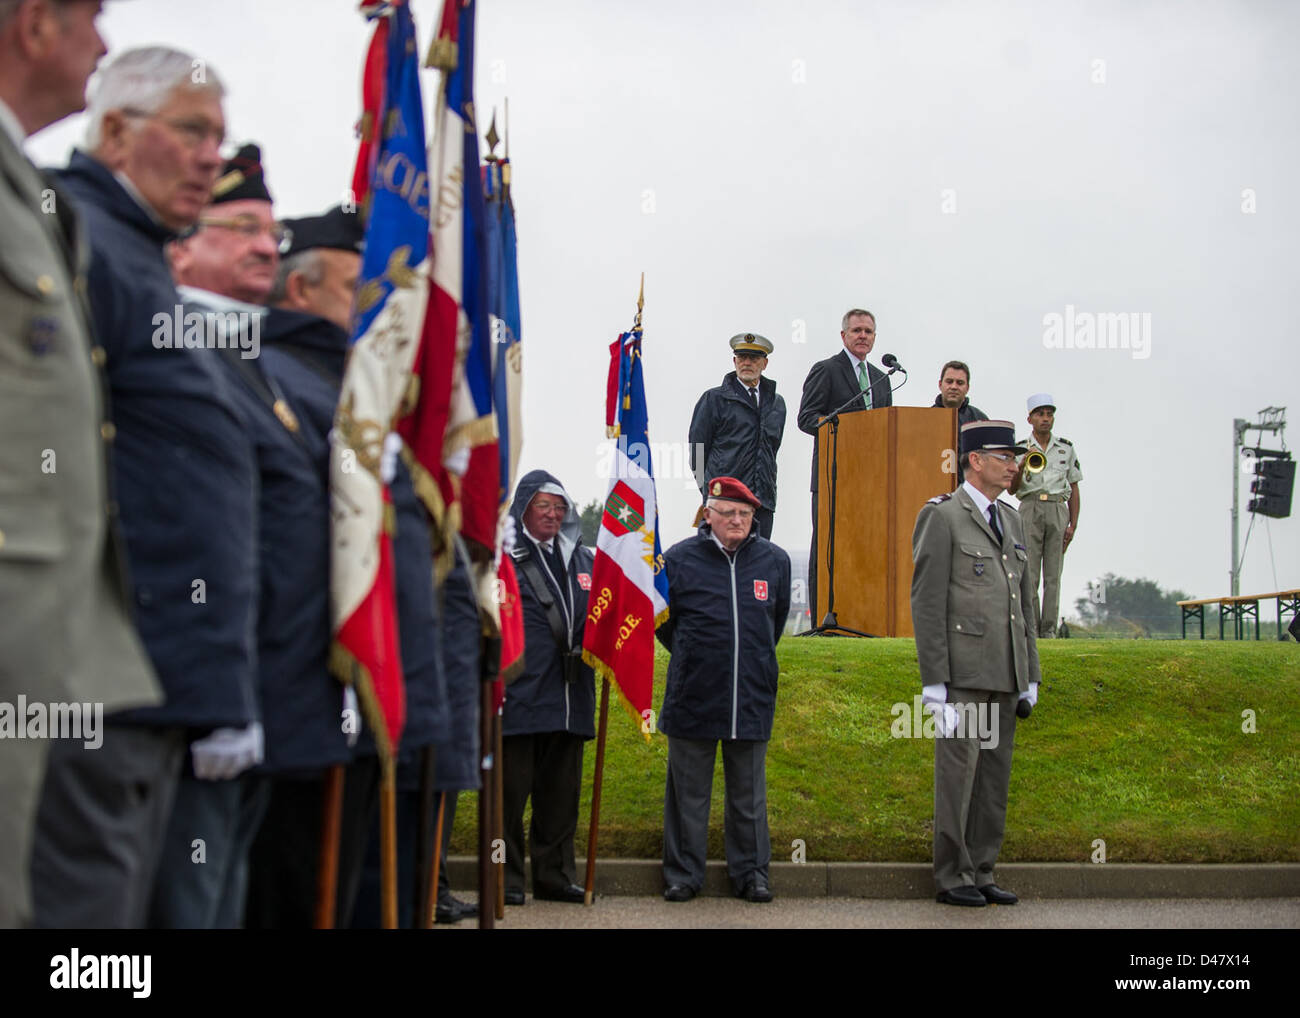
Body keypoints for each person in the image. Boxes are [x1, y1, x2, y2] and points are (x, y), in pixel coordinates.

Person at [32, 45, 257, 929]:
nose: (214, 157)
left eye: (221, 138)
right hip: (108, 683)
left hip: (161, 685)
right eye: (194, 133)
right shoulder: (80, 241)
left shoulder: (134, 257)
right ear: (118, 132)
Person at [0, 0, 160, 928]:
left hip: (62, 650)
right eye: (92, 18)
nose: (102, 45)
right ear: (33, 23)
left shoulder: (32, 197)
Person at [910, 420, 1041, 907]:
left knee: (992, 781)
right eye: (1003, 457)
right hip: (963, 675)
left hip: (1005, 671)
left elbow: (1024, 604)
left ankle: (982, 868)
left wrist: (1030, 674)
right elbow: (926, 602)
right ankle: (953, 875)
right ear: (974, 460)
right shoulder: (943, 516)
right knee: (959, 779)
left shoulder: (1013, 517)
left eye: (1015, 458)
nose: (1013, 466)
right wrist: (935, 683)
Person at [657, 476, 791, 903]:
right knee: (688, 797)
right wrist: (696, 654)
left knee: (749, 798)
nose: (738, 521)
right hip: (693, 695)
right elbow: (665, 623)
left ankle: (752, 874)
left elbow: (775, 621)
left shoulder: (774, 561)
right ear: (708, 515)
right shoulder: (678, 559)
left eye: (746, 514)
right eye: (729, 512)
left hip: (750, 695)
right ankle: (683, 875)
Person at [502, 470, 597, 905]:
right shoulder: (503, 556)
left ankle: (554, 877)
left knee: (561, 800)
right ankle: (501, 878)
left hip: (570, 699)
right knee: (506, 801)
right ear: (523, 508)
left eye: (559, 507)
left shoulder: (584, 560)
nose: (553, 514)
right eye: (543, 506)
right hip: (518, 697)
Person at [796, 309, 893, 622]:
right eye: (857, 331)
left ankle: (862, 617)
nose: (863, 336)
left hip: (871, 481)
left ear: (875, 338)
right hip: (832, 477)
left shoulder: (881, 379)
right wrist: (840, 428)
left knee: (866, 548)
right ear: (844, 336)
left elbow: (886, 426)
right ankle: (823, 619)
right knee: (827, 549)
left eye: (868, 331)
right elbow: (806, 418)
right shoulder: (826, 370)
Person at [688, 332, 786, 539]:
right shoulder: (714, 399)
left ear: (765, 363)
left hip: (762, 502)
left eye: (754, 358)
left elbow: (771, 451)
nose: (747, 363)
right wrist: (711, 492)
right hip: (723, 500)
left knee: (757, 566)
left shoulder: (777, 404)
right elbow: (697, 453)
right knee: (717, 565)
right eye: (742, 358)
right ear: (734, 361)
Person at [1009, 393, 1082, 639]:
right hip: (1029, 506)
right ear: (1030, 418)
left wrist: (1073, 524)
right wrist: (1021, 464)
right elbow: (1011, 488)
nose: (1045, 419)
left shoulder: (1065, 448)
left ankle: (1049, 629)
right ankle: (1030, 627)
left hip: (1056, 507)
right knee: (1028, 573)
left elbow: (1073, 487)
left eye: (1049, 414)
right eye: (1040, 414)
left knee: (1054, 574)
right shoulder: (1020, 447)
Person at [931, 360, 988, 482]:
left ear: (967, 388)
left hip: (969, 492)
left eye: (960, 383)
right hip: (933, 489)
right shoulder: (925, 419)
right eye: (949, 381)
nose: (954, 387)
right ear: (940, 384)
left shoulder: (980, 420)